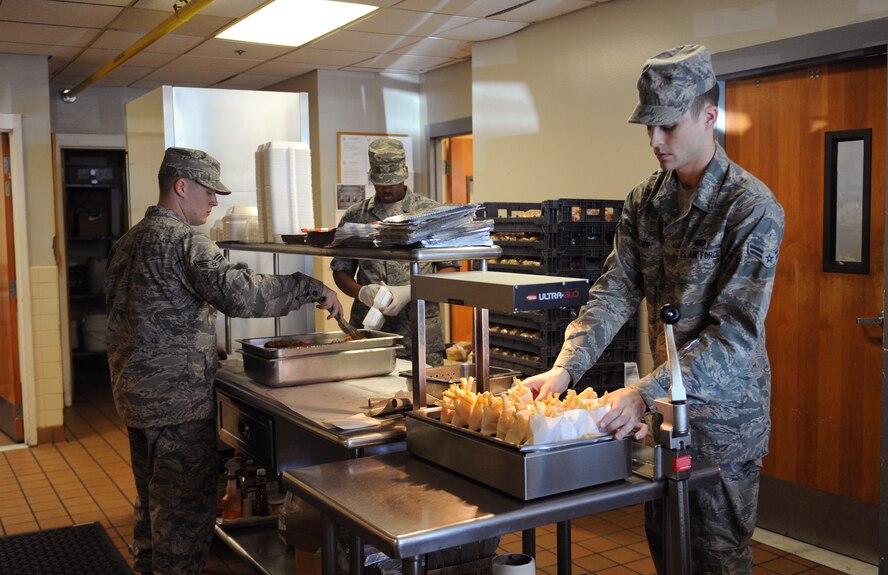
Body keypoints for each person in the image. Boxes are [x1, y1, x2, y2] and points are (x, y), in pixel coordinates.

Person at [524, 45, 784, 574]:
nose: (655, 141)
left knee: (715, 560)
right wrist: (565, 367)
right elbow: (616, 289)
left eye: (667, 125)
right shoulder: (645, 201)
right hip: (663, 414)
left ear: (709, 115)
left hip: (723, 424)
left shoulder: (751, 208)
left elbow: (733, 335)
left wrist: (644, 393)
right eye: (648, 128)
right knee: (667, 549)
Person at [105, 147, 342, 575]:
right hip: (176, 404)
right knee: (184, 513)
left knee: (152, 505)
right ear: (181, 187)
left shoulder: (128, 240)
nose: (215, 202)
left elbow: (139, 316)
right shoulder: (184, 239)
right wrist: (309, 287)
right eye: (209, 192)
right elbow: (240, 293)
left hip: (136, 398)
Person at [331, 138, 459, 366]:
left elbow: (449, 269)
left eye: (392, 182)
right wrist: (362, 293)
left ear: (406, 173)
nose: (386, 189)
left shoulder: (429, 212)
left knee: (422, 394)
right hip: (369, 329)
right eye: (380, 183)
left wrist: (412, 291)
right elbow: (340, 270)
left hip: (420, 331)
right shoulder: (355, 216)